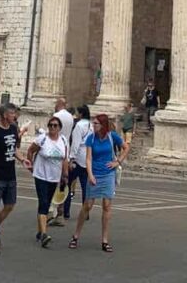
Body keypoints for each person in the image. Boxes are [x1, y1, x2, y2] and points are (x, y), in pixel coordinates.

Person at [69, 113, 128, 253]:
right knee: (87, 205)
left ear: (103, 125)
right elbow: (88, 158)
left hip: (108, 174)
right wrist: (90, 175)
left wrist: (117, 162)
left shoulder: (111, 136)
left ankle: (105, 240)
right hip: (95, 173)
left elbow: (126, 147)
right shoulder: (91, 138)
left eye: (96, 123)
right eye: (93, 123)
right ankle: (76, 235)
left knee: (107, 205)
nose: (93, 125)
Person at [0, 103, 31, 257]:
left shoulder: (12, 129)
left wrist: (22, 159)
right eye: (13, 114)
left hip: (10, 175)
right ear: (5, 115)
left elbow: (14, 149)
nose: (15, 116)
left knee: (10, 205)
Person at [27, 116, 69, 248]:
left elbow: (65, 159)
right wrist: (31, 165)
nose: (52, 127)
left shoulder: (63, 140)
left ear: (59, 128)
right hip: (41, 175)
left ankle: (40, 230)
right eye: (50, 125)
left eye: (55, 125)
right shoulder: (42, 139)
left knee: (47, 202)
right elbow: (30, 150)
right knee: (44, 203)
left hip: (55, 177)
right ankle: (44, 234)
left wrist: (65, 175)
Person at [64, 104, 92, 220]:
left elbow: (75, 143)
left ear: (80, 114)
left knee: (68, 184)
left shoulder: (79, 126)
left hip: (78, 158)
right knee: (86, 187)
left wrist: (71, 159)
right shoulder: (91, 125)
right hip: (88, 158)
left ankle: (66, 211)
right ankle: (86, 212)